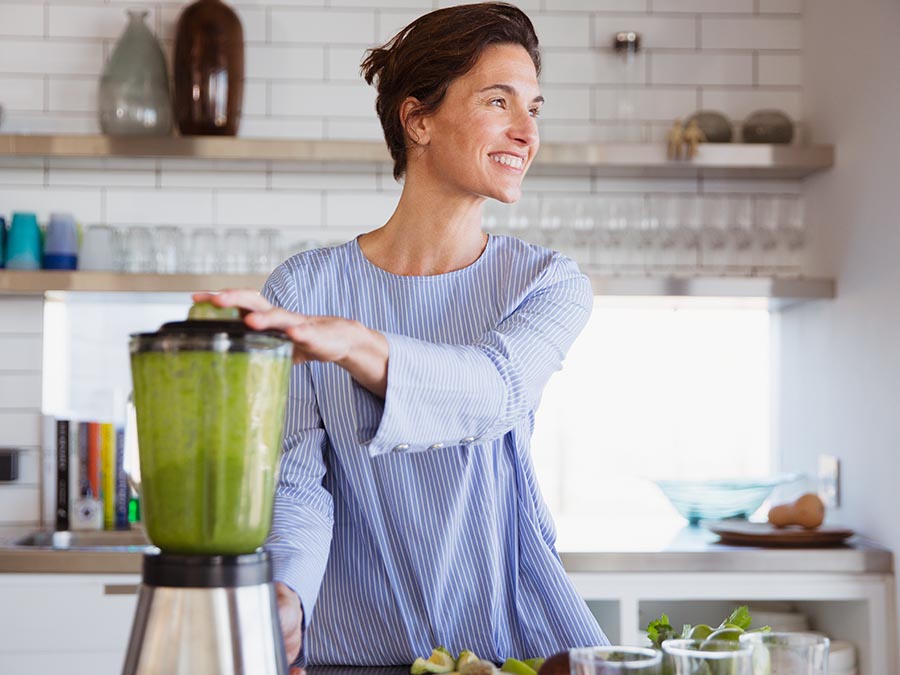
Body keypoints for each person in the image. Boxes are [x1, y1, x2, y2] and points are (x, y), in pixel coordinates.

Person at [198, 2, 608, 669]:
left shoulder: (546, 283)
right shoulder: (304, 289)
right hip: (352, 651)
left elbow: (493, 393)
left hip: (512, 648)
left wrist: (353, 345)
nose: (526, 131)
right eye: (498, 101)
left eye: (534, 108)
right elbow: (298, 481)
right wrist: (288, 595)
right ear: (418, 119)